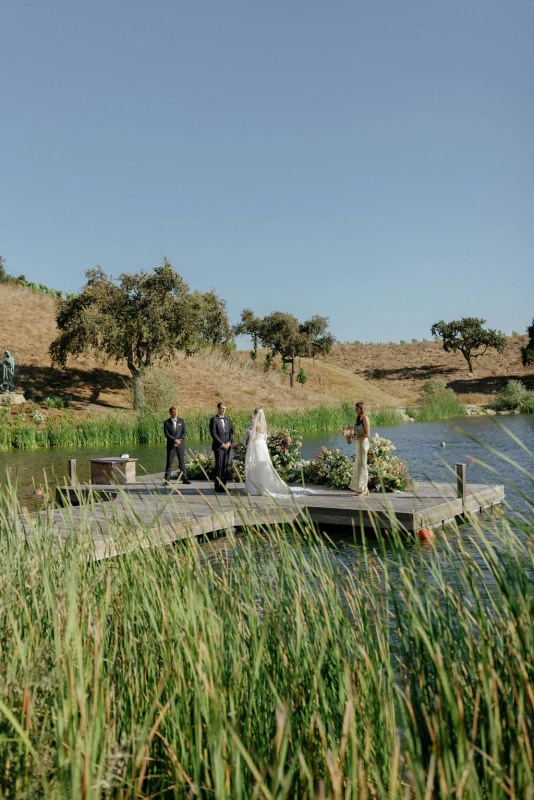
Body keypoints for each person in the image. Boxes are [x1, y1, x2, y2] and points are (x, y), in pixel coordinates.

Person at [243, 408, 314, 497]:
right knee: (264, 466)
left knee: (256, 465)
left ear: (256, 415)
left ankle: (257, 486)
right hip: (263, 446)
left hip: (257, 446)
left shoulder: (256, 425)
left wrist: (249, 435)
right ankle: (264, 484)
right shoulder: (264, 425)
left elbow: (252, 438)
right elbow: (264, 437)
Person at [346, 401, 370, 496]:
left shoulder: (365, 418)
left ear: (361, 408)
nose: (355, 410)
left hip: (363, 443)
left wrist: (355, 438)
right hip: (358, 443)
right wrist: (348, 435)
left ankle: (364, 489)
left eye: (357, 408)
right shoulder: (358, 418)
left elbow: (367, 434)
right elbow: (356, 432)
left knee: (362, 465)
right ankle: (361, 488)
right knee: (358, 466)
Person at [163, 406, 191, 485]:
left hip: (180, 445)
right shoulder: (166, 422)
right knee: (169, 462)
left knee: (182, 462)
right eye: (173, 412)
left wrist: (179, 441)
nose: (175, 413)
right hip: (171, 445)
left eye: (176, 412)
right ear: (170, 413)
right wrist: (174, 440)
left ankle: (185, 479)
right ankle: (167, 480)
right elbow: (166, 434)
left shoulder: (181, 421)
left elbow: (184, 432)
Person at [209, 402, 234, 492]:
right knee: (219, 466)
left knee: (225, 466)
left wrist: (229, 442)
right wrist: (222, 444)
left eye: (225, 408)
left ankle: (224, 485)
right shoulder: (214, 420)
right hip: (219, 447)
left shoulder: (228, 419)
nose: (224, 410)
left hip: (227, 447)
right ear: (218, 409)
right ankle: (217, 485)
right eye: (222, 408)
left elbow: (231, 432)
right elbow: (213, 434)